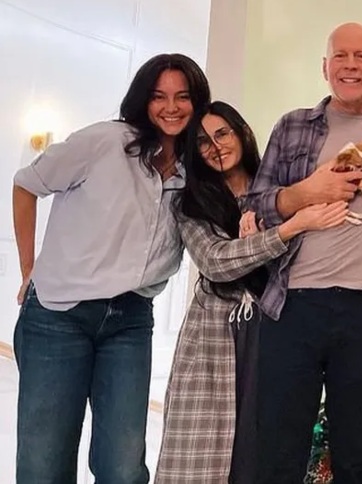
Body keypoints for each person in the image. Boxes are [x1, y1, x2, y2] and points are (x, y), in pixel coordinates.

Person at [12, 53, 210, 482]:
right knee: (44, 463)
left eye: (182, 96)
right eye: (158, 96)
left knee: (123, 467)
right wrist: (28, 267)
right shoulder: (104, 142)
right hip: (60, 314)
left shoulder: (195, 170)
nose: (171, 107)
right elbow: (26, 184)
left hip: (131, 319)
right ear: (142, 100)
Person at [245, 22, 362, 483]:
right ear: (325, 67)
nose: (350, 65)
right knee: (279, 451)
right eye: (341, 55)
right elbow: (256, 203)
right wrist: (307, 192)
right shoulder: (292, 126)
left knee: (357, 456)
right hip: (293, 308)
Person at [154, 101, 349, 483]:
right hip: (213, 335)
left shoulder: (280, 192)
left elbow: (308, 258)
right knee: (201, 457)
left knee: (263, 447)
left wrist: (281, 228)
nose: (215, 146)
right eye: (203, 141)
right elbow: (215, 261)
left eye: (222, 133)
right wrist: (288, 229)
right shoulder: (189, 202)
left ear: (241, 132)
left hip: (276, 329)